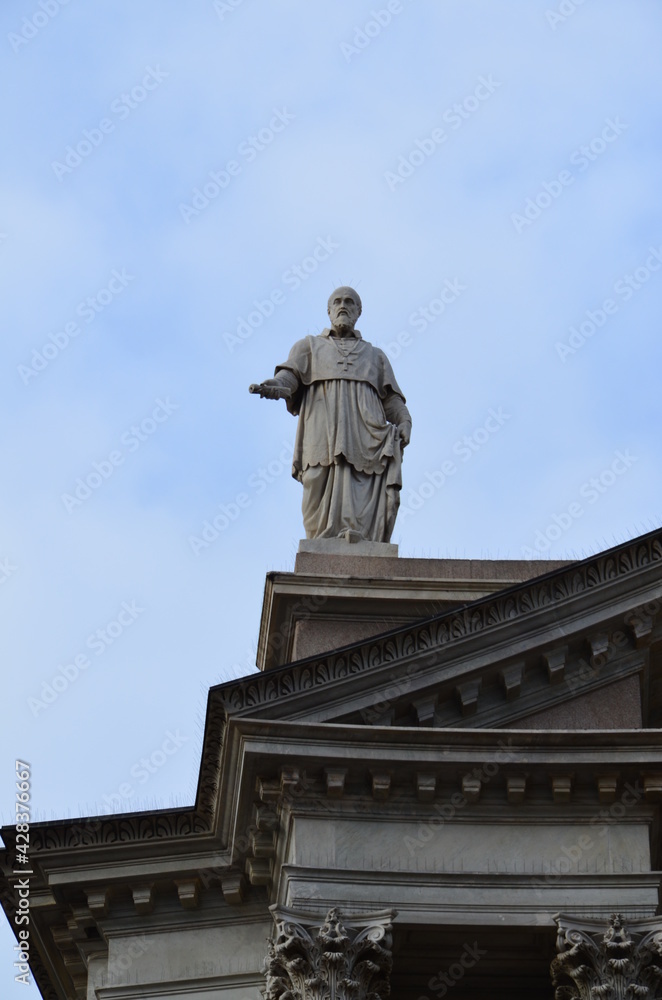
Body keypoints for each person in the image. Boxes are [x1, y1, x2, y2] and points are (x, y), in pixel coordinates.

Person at [250, 287, 411, 542]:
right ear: (328, 311)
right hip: (321, 429)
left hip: (365, 433)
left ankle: (360, 539)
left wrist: (404, 421)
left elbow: (391, 399)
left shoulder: (375, 356)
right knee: (316, 479)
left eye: (350, 302)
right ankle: (320, 543)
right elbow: (289, 376)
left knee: (360, 481)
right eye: (337, 302)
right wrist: (277, 386)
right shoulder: (309, 347)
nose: (343, 305)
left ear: (359, 312)